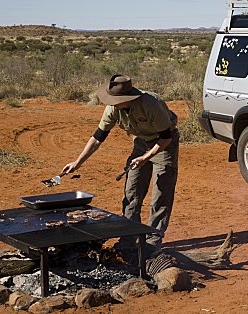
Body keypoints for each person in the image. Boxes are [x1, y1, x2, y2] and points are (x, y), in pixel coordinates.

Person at [62, 74, 179, 253]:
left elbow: (165, 138)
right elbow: (98, 137)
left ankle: (153, 239)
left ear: (126, 99)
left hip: (164, 144)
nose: (110, 103)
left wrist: (146, 158)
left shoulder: (150, 104)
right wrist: (78, 162)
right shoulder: (112, 109)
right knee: (132, 191)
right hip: (141, 142)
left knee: (161, 192)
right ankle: (129, 236)